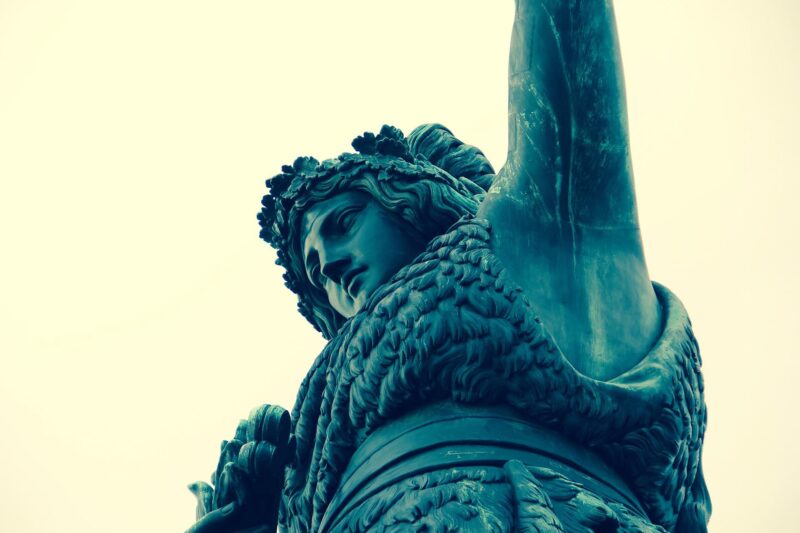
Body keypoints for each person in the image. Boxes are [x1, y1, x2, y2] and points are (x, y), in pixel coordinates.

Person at [188, 1, 710, 531]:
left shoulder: (513, 254)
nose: (333, 268)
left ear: (411, 205)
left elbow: (566, 55)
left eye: (344, 222)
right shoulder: (309, 429)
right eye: (316, 270)